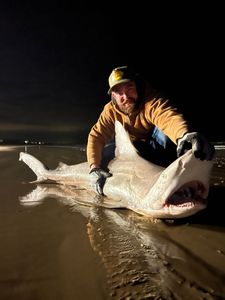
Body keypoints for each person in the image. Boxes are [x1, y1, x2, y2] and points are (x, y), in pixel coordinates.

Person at [87, 66, 215, 195]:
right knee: (106, 152)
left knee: (166, 135)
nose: (125, 96)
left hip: (157, 149)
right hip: (136, 150)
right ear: (113, 95)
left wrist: (184, 134)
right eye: (119, 93)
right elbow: (96, 136)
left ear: (136, 85)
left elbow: (167, 116)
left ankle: (168, 171)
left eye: (129, 88)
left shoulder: (151, 100)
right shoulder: (110, 111)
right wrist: (94, 167)